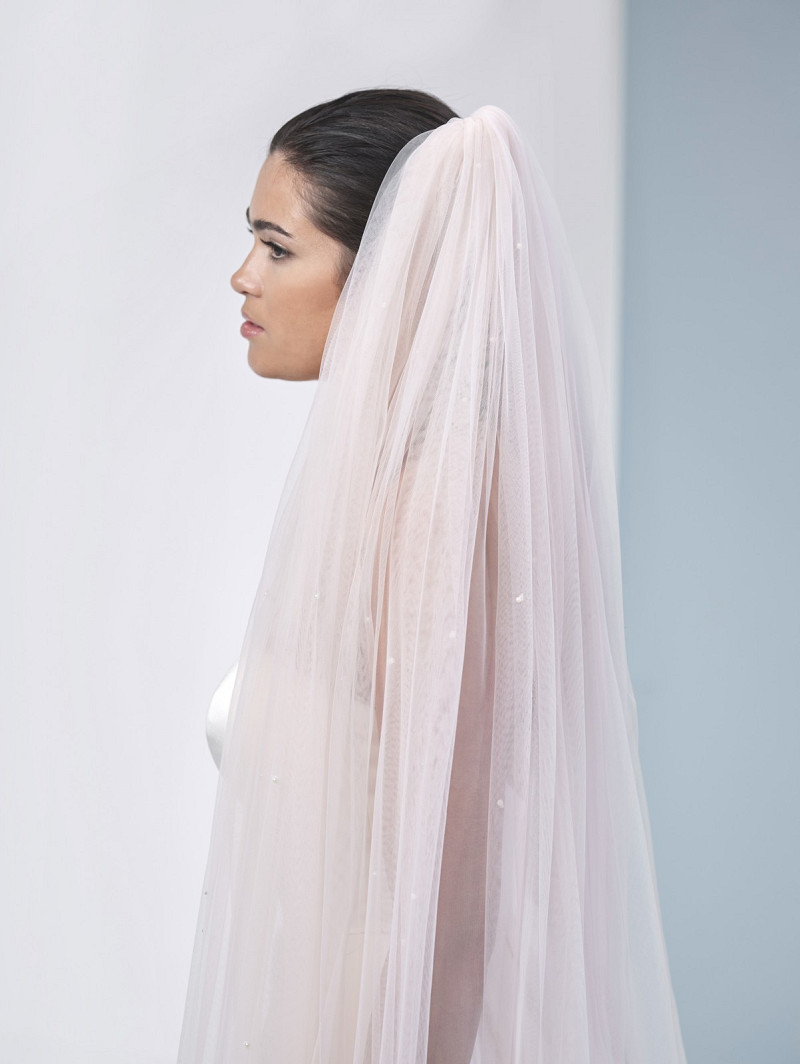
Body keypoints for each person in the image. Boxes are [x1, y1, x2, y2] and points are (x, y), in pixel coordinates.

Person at [176, 89, 688, 1063]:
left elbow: (453, 900)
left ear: (389, 272)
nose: (244, 276)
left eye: (277, 247)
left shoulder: (429, 508)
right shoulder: (387, 489)